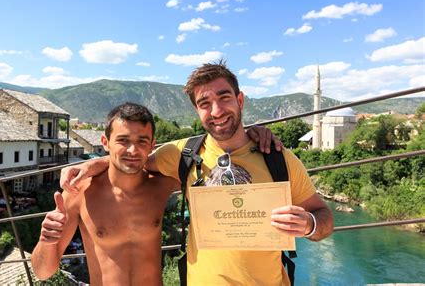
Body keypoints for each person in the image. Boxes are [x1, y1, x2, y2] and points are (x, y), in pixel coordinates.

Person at [60, 61, 334, 285]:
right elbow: (133, 159)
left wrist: (309, 224)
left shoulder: (279, 158)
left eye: (224, 97)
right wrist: (92, 164)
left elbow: (324, 218)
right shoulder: (181, 154)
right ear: (197, 110)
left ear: (239, 99)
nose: (216, 111)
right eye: (205, 103)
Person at [31, 103, 179, 286]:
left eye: (142, 141)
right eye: (123, 140)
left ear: (152, 145)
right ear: (105, 142)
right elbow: (42, 272)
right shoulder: (79, 192)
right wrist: (46, 240)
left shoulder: (161, 184)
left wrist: (94, 164)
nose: (133, 150)